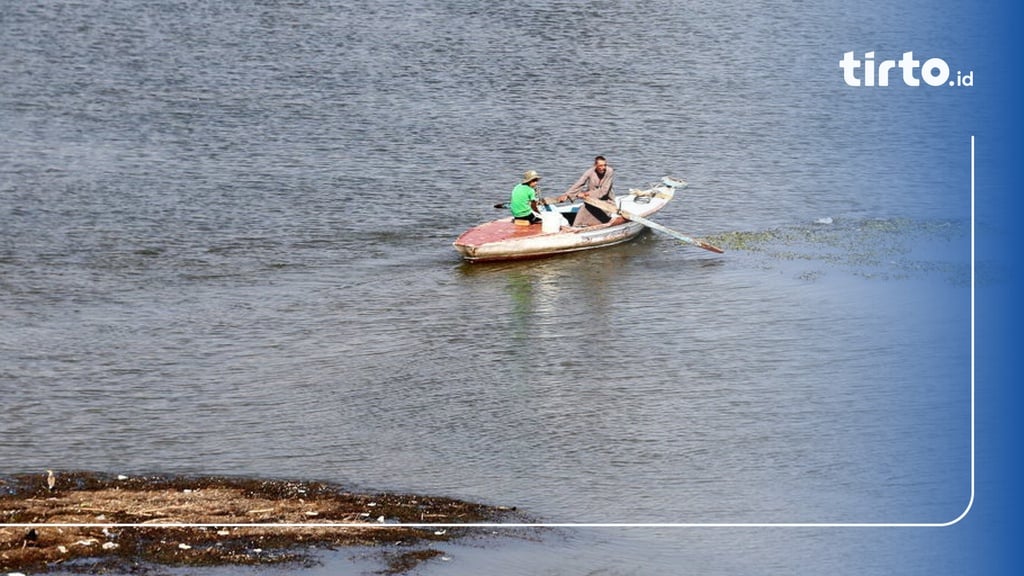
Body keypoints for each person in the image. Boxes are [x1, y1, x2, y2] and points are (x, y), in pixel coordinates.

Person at [558, 155, 615, 227]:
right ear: (595, 165)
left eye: (604, 165)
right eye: (600, 166)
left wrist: (586, 194)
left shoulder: (609, 171)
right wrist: (567, 194)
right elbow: (579, 183)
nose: (603, 168)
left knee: (604, 218)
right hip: (591, 201)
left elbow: (604, 191)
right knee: (578, 221)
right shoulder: (590, 172)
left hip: (606, 201)